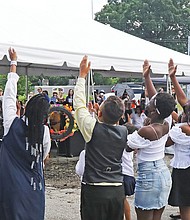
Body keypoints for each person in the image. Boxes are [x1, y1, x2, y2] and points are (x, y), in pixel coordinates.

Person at [73, 55, 128, 220]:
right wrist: (100, 114)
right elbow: (111, 123)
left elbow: (78, 105)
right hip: (117, 188)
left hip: (95, 189)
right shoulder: (124, 131)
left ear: (100, 112)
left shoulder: (92, 128)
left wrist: (82, 76)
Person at [0, 48, 51, 220]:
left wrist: (13, 63)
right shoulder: (44, 132)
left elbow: (9, 95)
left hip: (11, 187)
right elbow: (44, 156)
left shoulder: (11, 124)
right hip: (34, 190)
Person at [126, 59, 176, 220]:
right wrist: (147, 77)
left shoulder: (146, 130)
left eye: (151, 102)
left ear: (154, 110)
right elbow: (156, 97)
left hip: (149, 175)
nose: (149, 100)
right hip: (162, 173)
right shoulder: (167, 121)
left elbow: (127, 146)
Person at [166, 58, 190, 220]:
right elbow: (184, 101)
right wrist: (173, 78)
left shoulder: (183, 129)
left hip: (185, 169)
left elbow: (167, 142)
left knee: (185, 204)